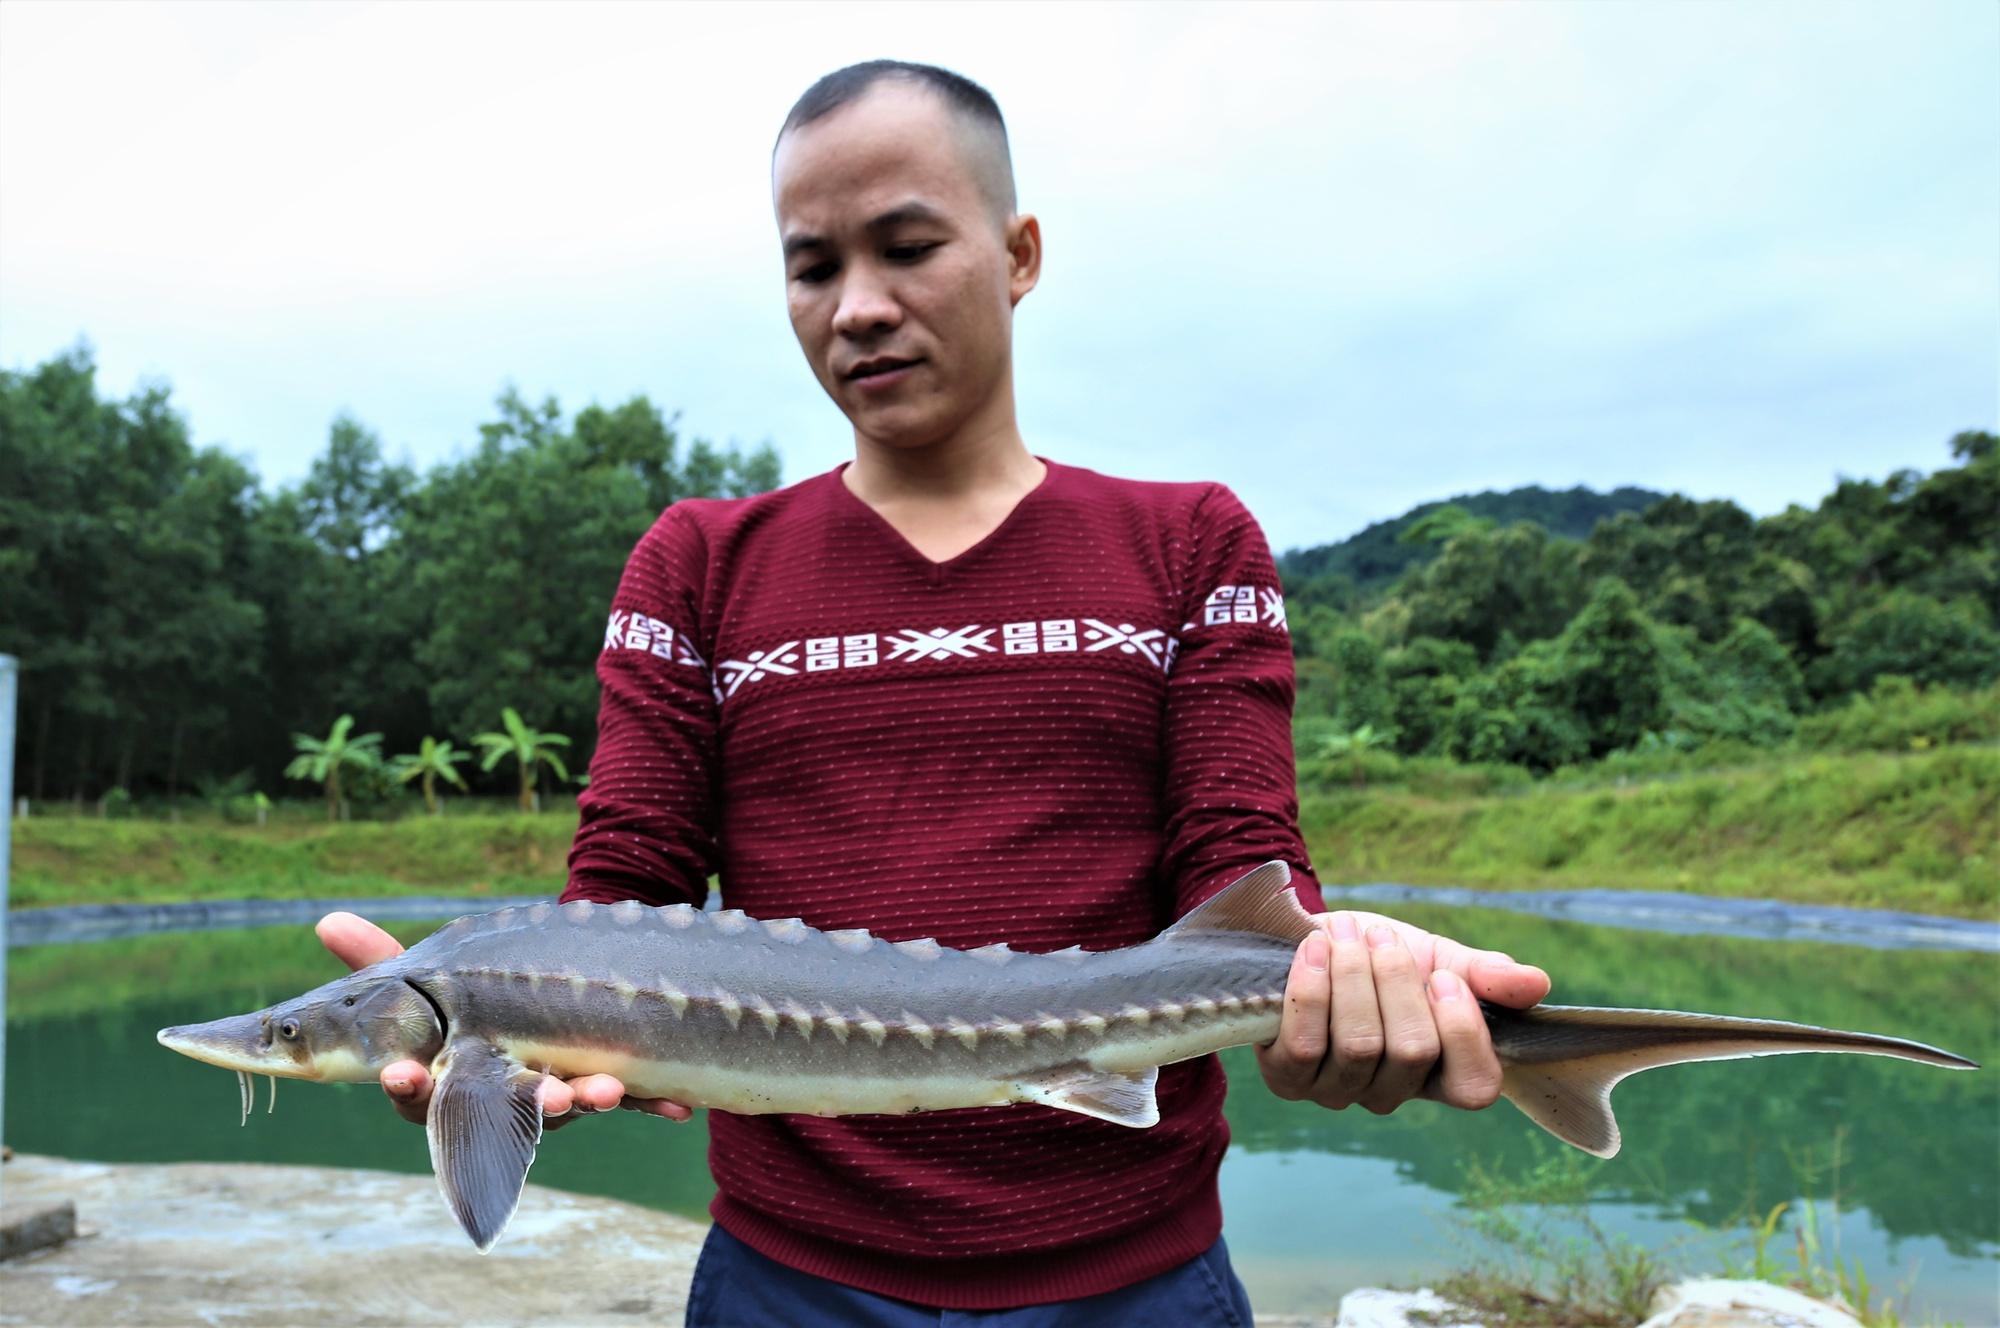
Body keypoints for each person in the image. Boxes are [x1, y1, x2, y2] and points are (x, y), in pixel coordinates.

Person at [319, 59, 1551, 1326]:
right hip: (787, 1281)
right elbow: (625, 886)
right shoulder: (693, 560)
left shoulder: (1186, 539)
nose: (857, 307)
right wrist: (495, 1022)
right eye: (812, 268)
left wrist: (1341, 988)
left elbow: (1240, 878)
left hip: (1137, 1280)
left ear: (1019, 253)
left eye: (907, 247)